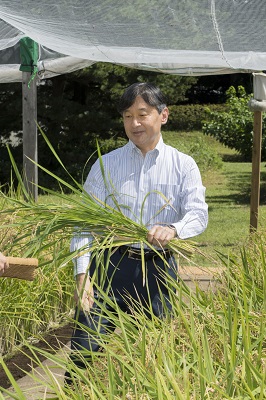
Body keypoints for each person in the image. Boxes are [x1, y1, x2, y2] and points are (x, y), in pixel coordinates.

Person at [65, 82, 208, 385]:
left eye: (142, 114)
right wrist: (82, 277)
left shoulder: (183, 165)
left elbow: (198, 214)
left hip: (157, 271)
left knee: (159, 358)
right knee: (83, 354)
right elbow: (83, 224)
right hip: (109, 268)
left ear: (163, 115)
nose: (134, 123)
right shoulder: (107, 164)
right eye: (128, 116)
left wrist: (173, 229)